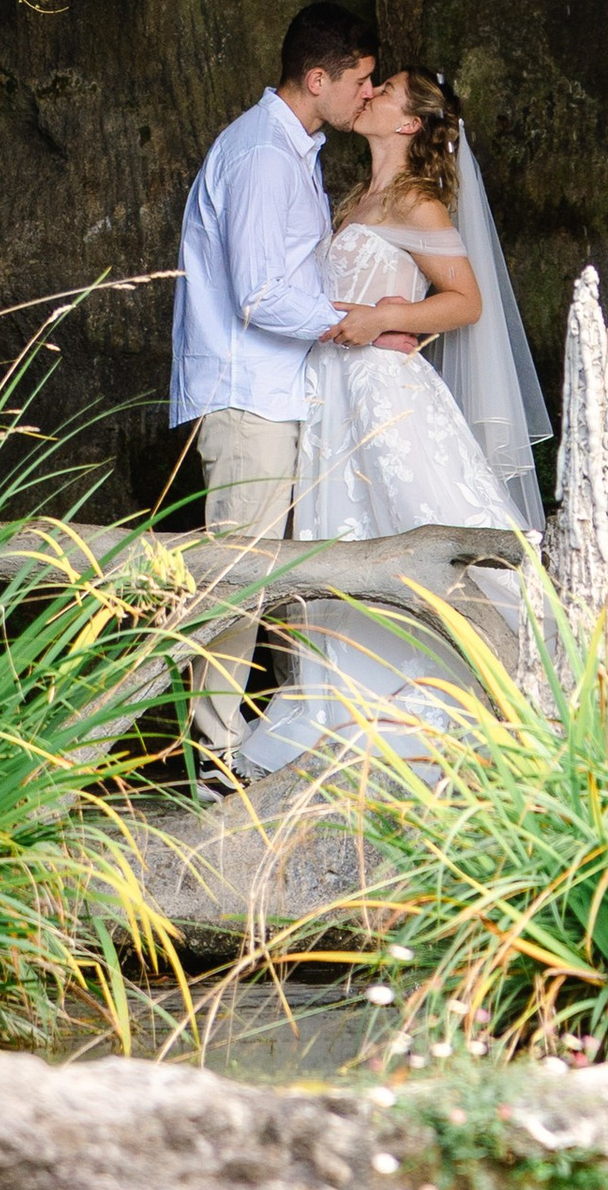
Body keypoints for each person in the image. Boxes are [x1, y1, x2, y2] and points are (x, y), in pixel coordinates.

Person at [236, 67, 553, 777]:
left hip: (383, 394)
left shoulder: (418, 204)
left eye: (386, 90)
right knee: (342, 537)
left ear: (409, 123)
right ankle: (350, 703)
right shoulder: (357, 199)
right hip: (331, 396)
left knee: (413, 521)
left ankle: (494, 688)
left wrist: (390, 318)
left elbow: (465, 300)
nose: (370, 92)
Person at [169, 3, 441, 769]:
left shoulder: (294, 152)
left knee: (256, 576)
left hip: (282, 396)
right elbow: (260, 295)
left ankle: (227, 746)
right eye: (361, 79)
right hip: (248, 399)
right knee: (234, 578)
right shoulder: (262, 155)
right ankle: (215, 760)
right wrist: (363, 323)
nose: (367, 92)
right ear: (318, 78)